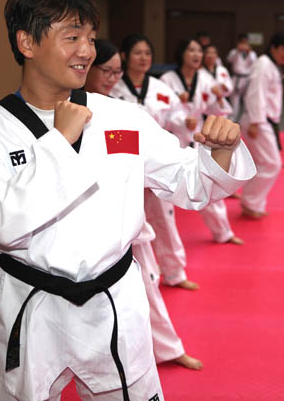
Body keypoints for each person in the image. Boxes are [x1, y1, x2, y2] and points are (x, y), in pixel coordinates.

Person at [0, 0, 256, 401]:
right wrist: (59, 143)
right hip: (30, 305)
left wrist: (219, 153)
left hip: (113, 300)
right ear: (27, 42)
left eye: (90, 38)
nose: (86, 51)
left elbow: (188, 181)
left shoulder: (121, 118)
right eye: (71, 37)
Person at [87, 38, 204, 370]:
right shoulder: (73, 110)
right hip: (87, 227)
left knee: (149, 280)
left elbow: (143, 146)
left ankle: (167, 347)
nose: (111, 78)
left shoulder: (121, 112)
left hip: (130, 210)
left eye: (115, 72)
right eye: (105, 71)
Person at [112, 34, 202, 291]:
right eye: (138, 53)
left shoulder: (161, 88)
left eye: (147, 54)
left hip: (153, 159)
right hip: (123, 161)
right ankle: (130, 279)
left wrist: (186, 123)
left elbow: (176, 117)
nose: (143, 59)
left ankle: (174, 271)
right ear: (126, 56)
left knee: (164, 218)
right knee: (128, 222)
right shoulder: (114, 87)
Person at [161, 38, 244, 246]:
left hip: (198, 136)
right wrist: (180, 118)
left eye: (199, 51)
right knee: (161, 198)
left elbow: (217, 112)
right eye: (191, 50)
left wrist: (217, 98)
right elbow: (163, 111)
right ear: (181, 54)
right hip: (173, 138)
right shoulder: (167, 79)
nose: (197, 55)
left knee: (209, 184)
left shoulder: (206, 78)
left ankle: (223, 232)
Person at [240, 31, 284, 218]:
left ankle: (255, 203)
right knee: (272, 164)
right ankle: (250, 202)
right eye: (283, 50)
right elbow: (256, 93)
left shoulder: (271, 65)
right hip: (259, 120)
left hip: (264, 120)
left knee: (263, 163)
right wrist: (256, 122)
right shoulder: (264, 64)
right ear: (273, 47)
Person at [226, 33, 258, 121]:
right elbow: (229, 60)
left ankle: (245, 120)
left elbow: (255, 63)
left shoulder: (252, 53)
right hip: (236, 78)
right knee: (234, 101)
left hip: (247, 78)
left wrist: (249, 53)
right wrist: (237, 52)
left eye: (245, 42)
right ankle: (232, 119)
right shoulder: (233, 52)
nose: (244, 44)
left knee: (247, 100)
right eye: (242, 42)